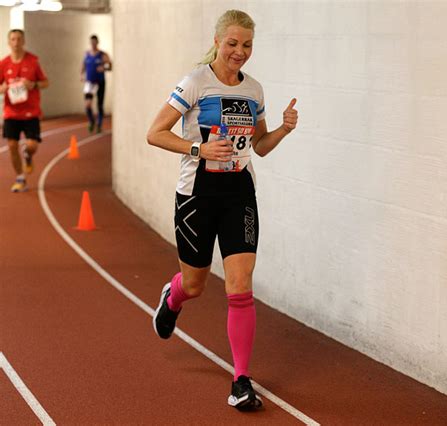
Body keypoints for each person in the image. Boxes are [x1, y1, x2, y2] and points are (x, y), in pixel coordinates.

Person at [147, 9, 298, 410]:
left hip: (239, 193)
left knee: (240, 284)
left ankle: (241, 380)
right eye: (232, 43)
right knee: (195, 284)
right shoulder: (195, 83)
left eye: (246, 45)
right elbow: (155, 133)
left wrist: (282, 129)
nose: (239, 52)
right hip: (197, 194)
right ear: (217, 42)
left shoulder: (255, 91)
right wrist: (198, 148)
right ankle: (173, 296)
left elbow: (260, 148)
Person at [0, 29, 49, 193]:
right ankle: (20, 178)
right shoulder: (3, 64)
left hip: (30, 112)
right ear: (9, 42)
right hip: (11, 112)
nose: (16, 42)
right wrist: (3, 88)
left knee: (32, 145)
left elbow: (45, 83)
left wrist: (33, 84)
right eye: (13, 39)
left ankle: (28, 155)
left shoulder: (33, 61)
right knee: (12, 145)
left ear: (24, 41)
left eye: (19, 39)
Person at [80, 34, 112, 133]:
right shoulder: (87, 54)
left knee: (99, 105)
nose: (93, 44)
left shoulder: (102, 54)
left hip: (100, 82)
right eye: (91, 42)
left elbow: (110, 66)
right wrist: (81, 75)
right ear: (90, 43)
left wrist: (104, 68)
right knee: (87, 105)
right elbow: (83, 65)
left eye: (95, 42)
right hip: (90, 83)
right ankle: (91, 121)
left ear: (97, 42)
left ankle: (99, 124)